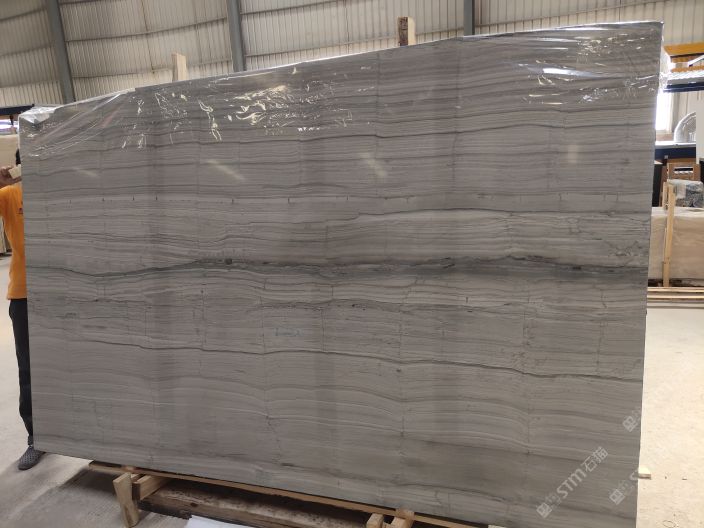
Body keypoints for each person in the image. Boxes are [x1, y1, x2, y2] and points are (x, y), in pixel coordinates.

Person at [0, 150, 44, 470]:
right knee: (29, 369)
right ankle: (37, 438)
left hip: (67, 293)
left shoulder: (65, 190)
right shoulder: (10, 195)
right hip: (25, 295)